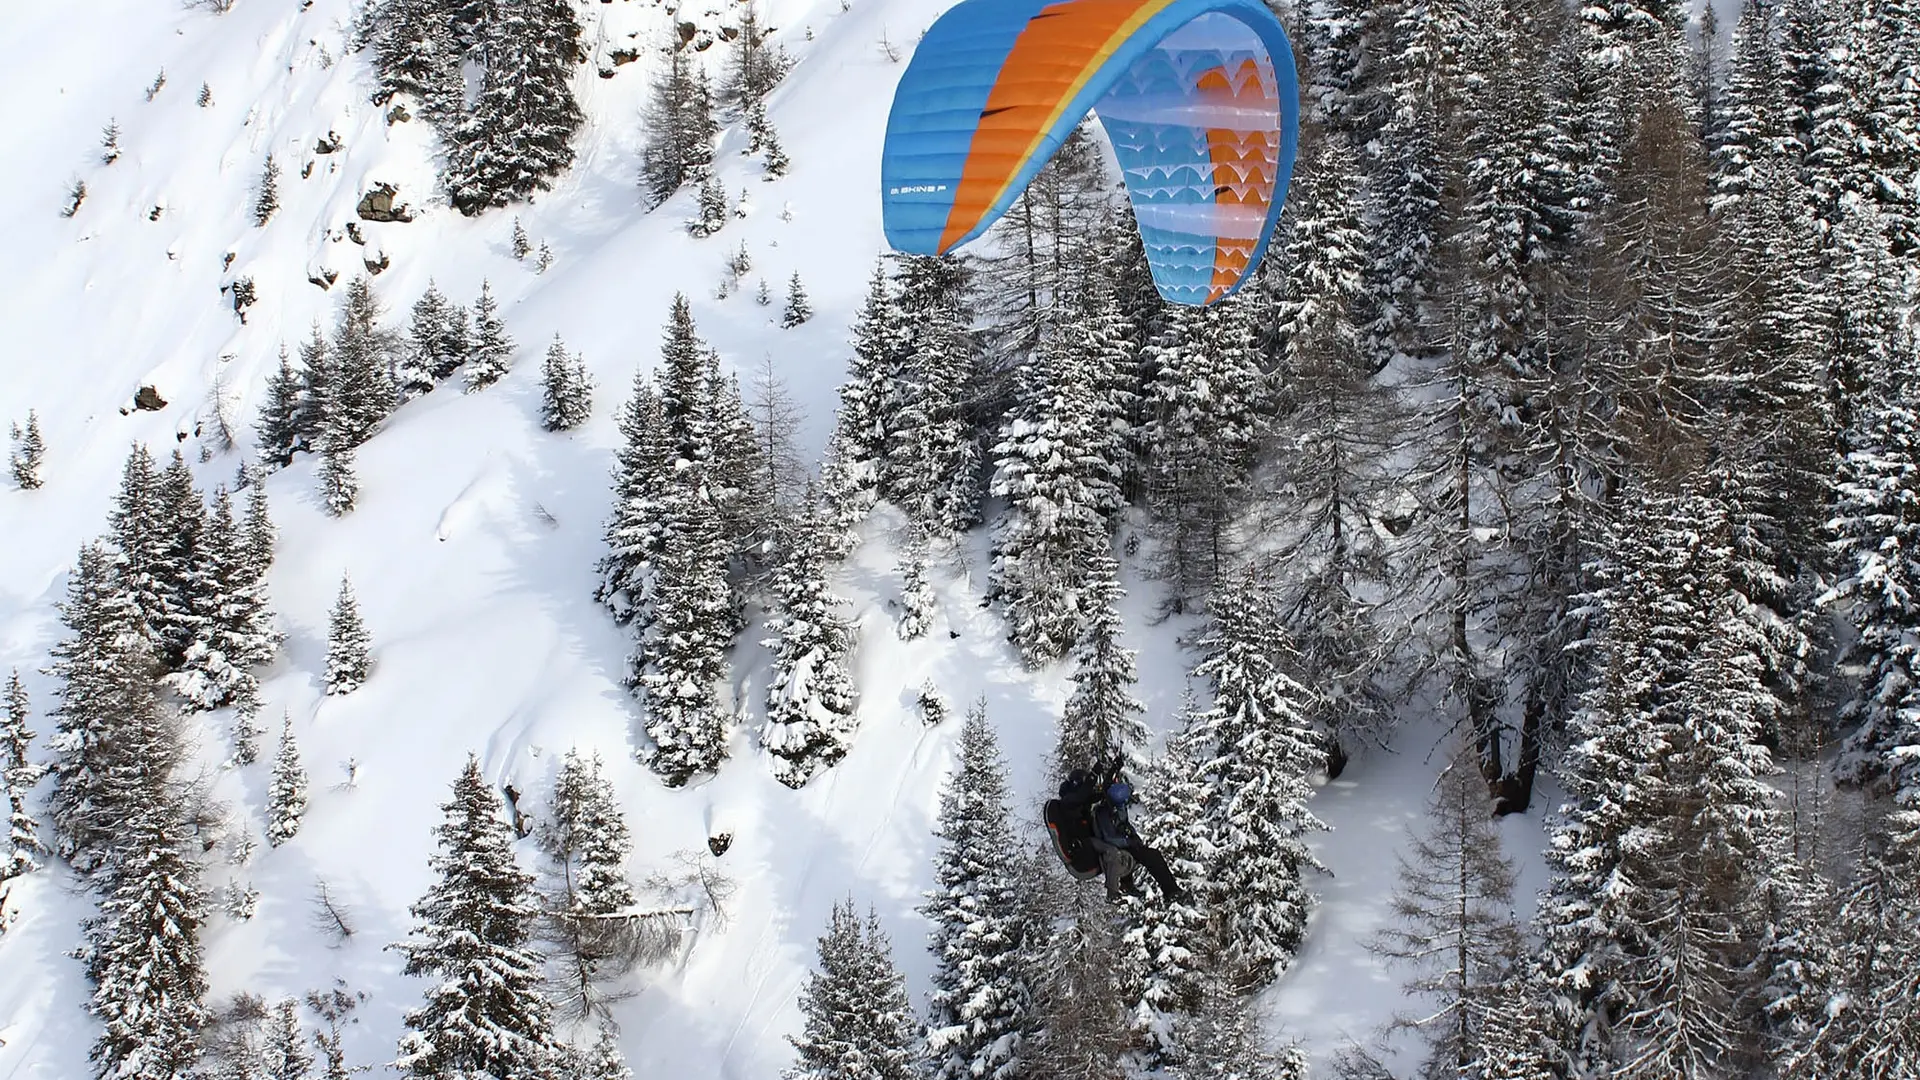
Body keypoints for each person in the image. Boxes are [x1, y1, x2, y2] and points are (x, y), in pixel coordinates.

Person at [1079, 772, 1186, 905]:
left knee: (1152, 855)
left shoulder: (1115, 807)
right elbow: (1108, 837)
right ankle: (1171, 892)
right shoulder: (1103, 812)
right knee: (1148, 856)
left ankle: (1169, 890)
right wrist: (1130, 841)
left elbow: (1123, 824)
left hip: (1125, 844)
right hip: (1116, 847)